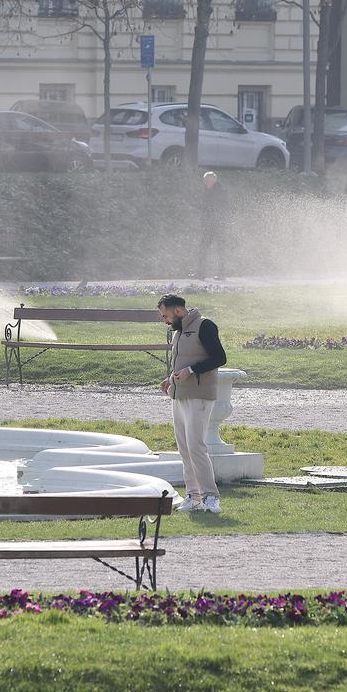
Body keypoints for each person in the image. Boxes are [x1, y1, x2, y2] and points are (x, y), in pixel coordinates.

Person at [158, 293, 227, 514]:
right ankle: (193, 496)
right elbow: (185, 361)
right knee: (184, 449)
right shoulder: (178, 331)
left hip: (199, 396)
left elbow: (219, 358)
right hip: (179, 396)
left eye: (166, 315)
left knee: (197, 447)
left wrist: (191, 371)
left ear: (178, 311)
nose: (165, 321)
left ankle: (211, 496)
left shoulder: (205, 326)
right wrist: (170, 380)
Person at [193, 171, 223, 278]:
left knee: (218, 249)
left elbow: (218, 208)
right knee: (204, 248)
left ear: (213, 181)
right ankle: (201, 273)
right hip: (210, 224)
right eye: (205, 181)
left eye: (209, 181)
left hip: (216, 224)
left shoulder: (218, 191)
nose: (207, 183)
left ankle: (219, 273)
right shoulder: (207, 191)